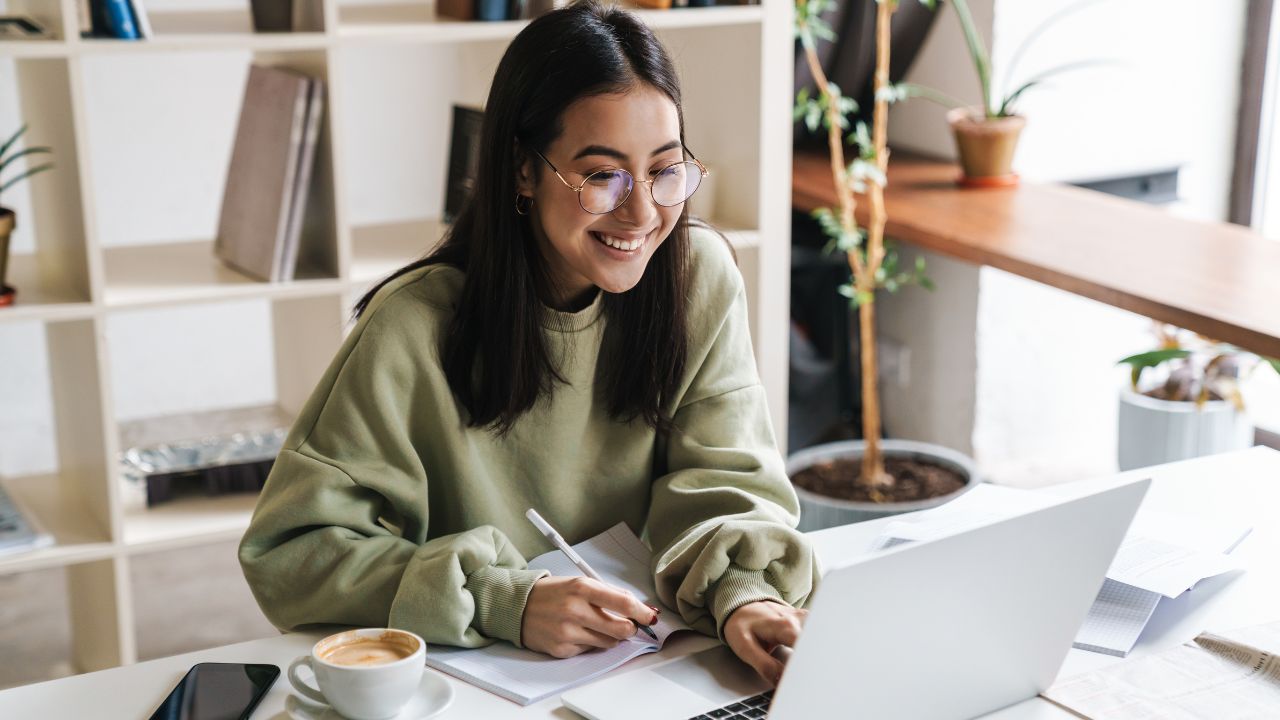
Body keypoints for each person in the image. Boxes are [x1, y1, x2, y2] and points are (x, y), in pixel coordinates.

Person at [238, 0, 819, 687]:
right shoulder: (412, 327)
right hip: (477, 689)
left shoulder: (699, 279)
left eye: (665, 170)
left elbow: (727, 485)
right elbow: (292, 553)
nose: (642, 212)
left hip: (656, 672)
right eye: (603, 176)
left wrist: (745, 592)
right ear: (522, 169)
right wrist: (503, 599)